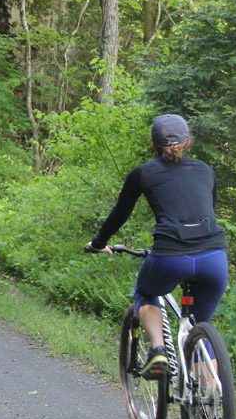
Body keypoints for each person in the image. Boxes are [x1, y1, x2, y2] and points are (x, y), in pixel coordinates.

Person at [86, 114, 228, 377]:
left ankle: (158, 352)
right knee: (200, 325)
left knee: (146, 293)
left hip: (171, 256)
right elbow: (209, 209)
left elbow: (120, 214)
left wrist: (98, 244)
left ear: (153, 144)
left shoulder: (143, 173)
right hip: (214, 257)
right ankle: (213, 406)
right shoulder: (206, 170)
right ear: (188, 142)